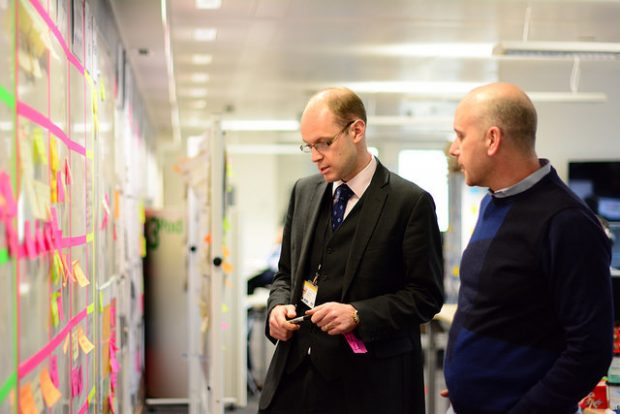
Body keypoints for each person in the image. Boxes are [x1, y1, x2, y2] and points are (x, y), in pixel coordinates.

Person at [258, 87, 444, 414]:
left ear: (356, 130)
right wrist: (276, 309)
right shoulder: (304, 192)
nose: (315, 155)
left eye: (324, 143)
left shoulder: (409, 202)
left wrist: (358, 313)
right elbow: (285, 274)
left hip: (370, 384)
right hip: (296, 378)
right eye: (309, 145)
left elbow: (425, 295)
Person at [443, 82, 614, 414]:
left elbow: (590, 350)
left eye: (461, 135)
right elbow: (499, 311)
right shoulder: (496, 202)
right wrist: (470, 376)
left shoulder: (566, 222)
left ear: (492, 139)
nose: (454, 148)